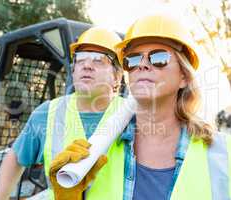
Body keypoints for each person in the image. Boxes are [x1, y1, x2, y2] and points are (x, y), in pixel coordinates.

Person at [50, 13, 231, 200]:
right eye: (133, 60)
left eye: (159, 58)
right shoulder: (96, 150)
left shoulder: (223, 155)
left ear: (183, 77)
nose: (143, 65)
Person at [0, 27, 123, 200]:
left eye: (99, 60)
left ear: (117, 77)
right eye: (80, 59)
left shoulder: (134, 114)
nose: (87, 65)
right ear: (74, 70)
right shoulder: (47, 113)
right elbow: (16, 157)